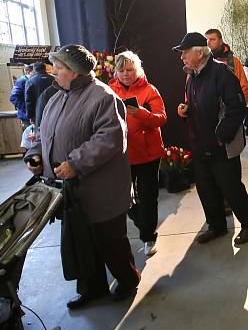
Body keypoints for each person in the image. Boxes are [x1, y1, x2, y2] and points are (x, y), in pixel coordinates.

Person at [25, 44, 139, 309]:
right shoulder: (56, 98)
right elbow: (44, 134)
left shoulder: (102, 97)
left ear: (75, 72)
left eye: (60, 67)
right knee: (82, 241)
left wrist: (75, 163)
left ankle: (127, 279)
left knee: (110, 240)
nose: (54, 72)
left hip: (102, 190)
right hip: (73, 192)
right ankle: (92, 288)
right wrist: (35, 155)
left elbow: (110, 139)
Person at [174, 33, 248, 245]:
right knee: (206, 189)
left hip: (221, 146)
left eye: (185, 53)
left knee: (231, 188)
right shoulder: (192, 76)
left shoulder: (222, 74)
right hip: (200, 144)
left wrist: (221, 136)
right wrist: (186, 110)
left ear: (199, 52)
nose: (182, 57)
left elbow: (236, 108)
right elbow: (197, 105)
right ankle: (216, 226)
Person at [109, 50, 167, 258]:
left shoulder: (149, 90)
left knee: (149, 196)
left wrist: (140, 113)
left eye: (130, 69)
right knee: (122, 197)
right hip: (121, 153)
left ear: (138, 70)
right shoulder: (109, 90)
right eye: (121, 69)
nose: (125, 73)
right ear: (116, 70)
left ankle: (148, 236)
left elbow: (161, 118)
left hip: (148, 153)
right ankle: (143, 224)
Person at [205, 28, 248, 100]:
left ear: (221, 41)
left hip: (230, 107)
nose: (208, 42)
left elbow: (244, 87)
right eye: (207, 40)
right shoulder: (205, 62)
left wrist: (239, 107)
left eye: (212, 39)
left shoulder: (233, 61)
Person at [25, 60, 55, 125]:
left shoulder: (30, 81)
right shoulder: (53, 79)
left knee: (40, 131)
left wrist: (30, 116)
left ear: (34, 70)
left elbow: (29, 100)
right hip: (54, 110)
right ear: (45, 69)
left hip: (38, 112)